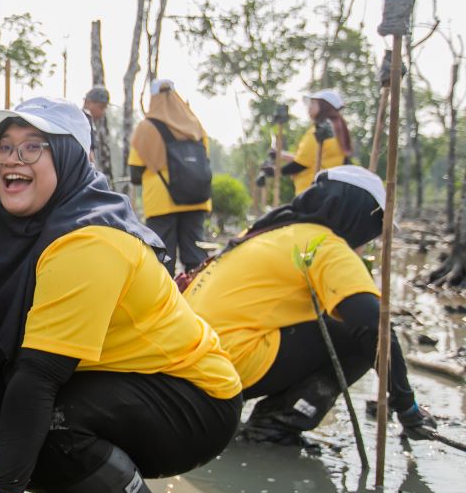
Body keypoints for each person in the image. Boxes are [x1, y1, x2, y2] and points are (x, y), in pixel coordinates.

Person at [0, 96, 242, 493]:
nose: (12, 159)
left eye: (34, 148)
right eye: (3, 147)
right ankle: (73, 480)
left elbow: (40, 377)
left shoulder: (90, 239)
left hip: (192, 399)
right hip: (103, 382)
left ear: (73, 159)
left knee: (48, 421)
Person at [183, 165, 436, 447]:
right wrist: (406, 406)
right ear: (359, 215)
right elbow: (376, 327)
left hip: (184, 371)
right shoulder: (324, 245)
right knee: (355, 337)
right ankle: (274, 424)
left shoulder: (268, 232)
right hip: (224, 369)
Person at [128, 79, 213, 273]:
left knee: (163, 258)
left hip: (162, 201)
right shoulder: (195, 125)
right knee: (195, 255)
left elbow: (135, 173)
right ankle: (196, 296)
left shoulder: (146, 128)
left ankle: (166, 302)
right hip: (196, 197)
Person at [277, 89, 352, 192]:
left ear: (323, 106)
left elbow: (300, 164)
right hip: (329, 190)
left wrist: (275, 171)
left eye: (313, 103)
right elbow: (315, 159)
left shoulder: (319, 130)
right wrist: (284, 156)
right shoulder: (338, 129)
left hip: (312, 192)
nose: (309, 107)